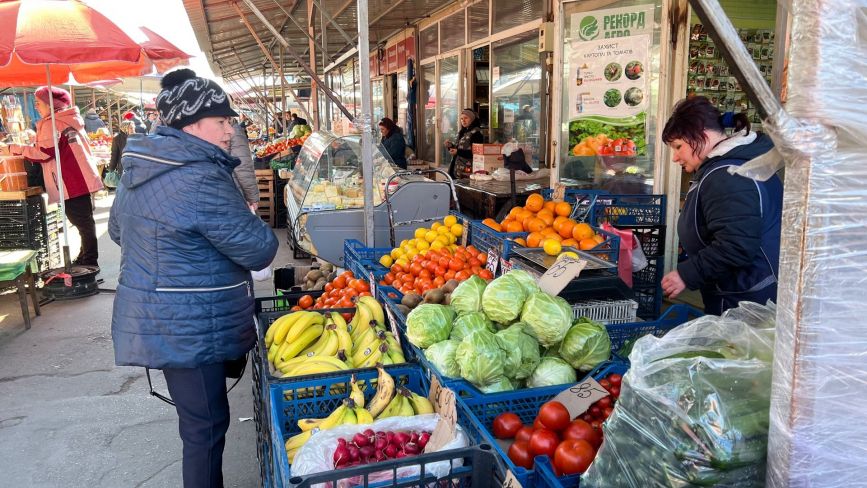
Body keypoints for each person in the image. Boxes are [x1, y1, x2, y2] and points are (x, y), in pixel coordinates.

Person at [109, 69, 279, 488]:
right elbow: (259, 248)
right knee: (205, 430)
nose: (230, 130)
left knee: (199, 425)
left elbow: (118, 231)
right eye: (221, 121)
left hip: (163, 314)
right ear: (191, 124)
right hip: (189, 321)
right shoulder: (200, 175)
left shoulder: (144, 163)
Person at [660, 96, 782, 315]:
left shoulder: (729, 175)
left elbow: (737, 245)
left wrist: (686, 274)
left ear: (701, 135)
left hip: (746, 301)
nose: (676, 157)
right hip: (742, 293)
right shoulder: (733, 165)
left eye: (679, 146)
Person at [0, 86, 103, 267]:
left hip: (69, 180)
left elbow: (43, 153)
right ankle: (86, 256)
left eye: (39, 103)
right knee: (84, 222)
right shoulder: (68, 119)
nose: (37, 107)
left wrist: (13, 148)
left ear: (50, 104)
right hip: (79, 177)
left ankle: (89, 260)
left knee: (82, 223)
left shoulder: (53, 123)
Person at [227, 119, 259, 209]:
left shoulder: (233, 132)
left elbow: (242, 166)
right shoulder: (235, 131)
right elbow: (243, 166)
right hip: (234, 192)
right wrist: (253, 198)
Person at [445, 108, 484, 179]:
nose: (463, 120)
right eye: (461, 119)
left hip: (467, 171)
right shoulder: (462, 132)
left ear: (472, 119)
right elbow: (459, 148)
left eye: (466, 118)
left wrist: (457, 152)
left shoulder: (476, 133)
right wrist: (450, 146)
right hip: (456, 169)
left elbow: (475, 153)